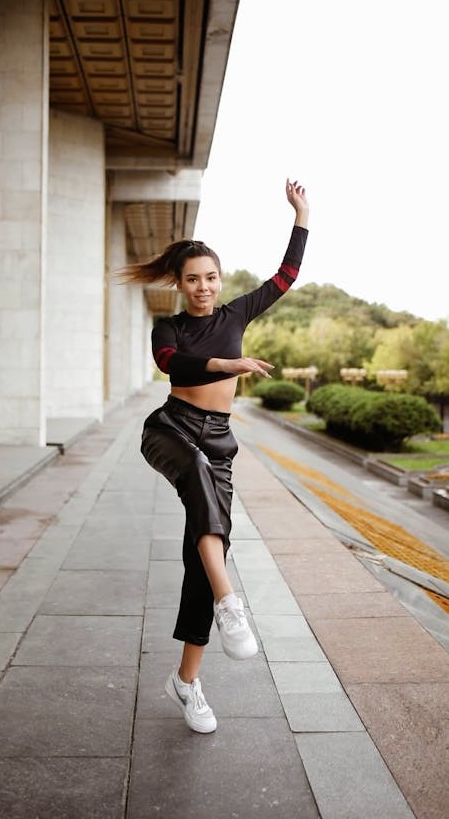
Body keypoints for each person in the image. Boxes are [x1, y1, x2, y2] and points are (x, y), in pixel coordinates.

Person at [121, 179, 309, 733]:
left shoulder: (236, 315)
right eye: (192, 279)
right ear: (178, 284)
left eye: (210, 278)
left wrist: (301, 214)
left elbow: (287, 276)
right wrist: (232, 365)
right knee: (201, 485)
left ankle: (186, 682)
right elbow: (170, 365)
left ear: (219, 280)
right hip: (172, 431)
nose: (203, 287)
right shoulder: (168, 327)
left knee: (204, 556)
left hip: (220, 441)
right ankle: (233, 606)